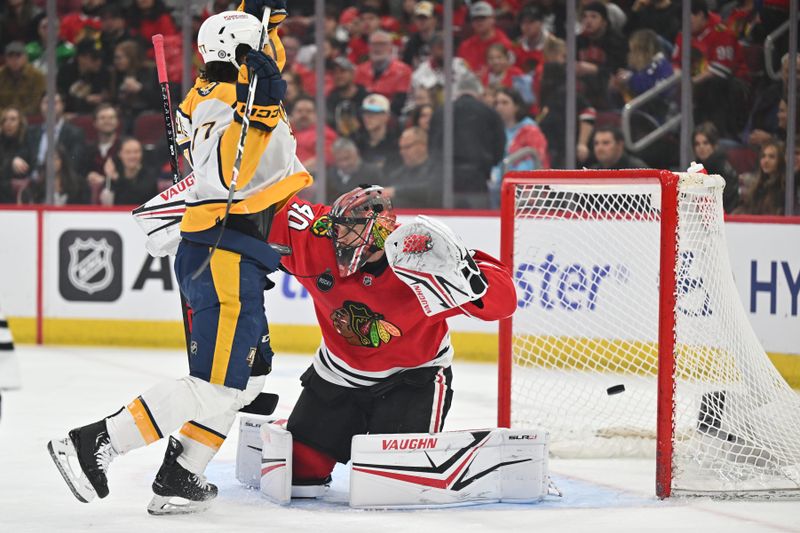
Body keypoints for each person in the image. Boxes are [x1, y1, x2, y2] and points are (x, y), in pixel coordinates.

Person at [48, 4, 312, 516]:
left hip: (228, 253)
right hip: (223, 255)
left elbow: (252, 64)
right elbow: (226, 175)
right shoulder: (227, 108)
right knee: (216, 388)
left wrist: (263, 34)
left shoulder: (216, 89)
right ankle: (94, 443)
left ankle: (181, 473)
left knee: (253, 375)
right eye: (256, 50)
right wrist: (258, 115)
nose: (265, 57)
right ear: (239, 58)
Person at [266, 185, 517, 494]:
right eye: (338, 226)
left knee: (390, 488)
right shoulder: (316, 237)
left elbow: (504, 304)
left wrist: (464, 274)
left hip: (412, 380)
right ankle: (291, 432)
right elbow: (267, 208)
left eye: (351, 229)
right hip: (338, 373)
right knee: (298, 475)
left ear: (379, 231)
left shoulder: (423, 258)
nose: (339, 237)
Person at [428, 73, 505, 209]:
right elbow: (499, 150)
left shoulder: (441, 111)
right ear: (479, 92)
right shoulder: (490, 113)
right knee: (477, 225)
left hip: (444, 181)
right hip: (476, 181)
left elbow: (432, 147)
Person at [490, 87, 549, 208]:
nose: (499, 107)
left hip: (527, 194)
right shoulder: (495, 130)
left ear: (516, 106)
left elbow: (537, 160)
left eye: (505, 102)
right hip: (500, 189)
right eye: (496, 103)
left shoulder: (529, 129)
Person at [576, 1, 628, 111]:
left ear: (604, 22)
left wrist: (594, 69)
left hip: (608, 89)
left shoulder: (616, 41)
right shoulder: (578, 41)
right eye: (585, 16)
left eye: (594, 17)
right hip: (584, 88)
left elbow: (617, 71)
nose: (588, 21)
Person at [26, 93, 86, 178]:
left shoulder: (75, 133)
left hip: (62, 181)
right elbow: (24, 154)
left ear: (62, 106)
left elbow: (74, 163)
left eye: (54, 103)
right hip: (33, 181)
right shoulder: (31, 132)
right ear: (40, 106)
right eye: (46, 103)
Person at [354, 30, 412, 115]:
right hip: (363, 114)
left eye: (382, 44)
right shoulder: (359, 70)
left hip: (390, 116)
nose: (377, 48)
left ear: (390, 47)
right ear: (368, 47)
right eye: (374, 44)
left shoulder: (403, 71)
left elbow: (399, 102)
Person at [110, 40, 160, 132]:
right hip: (124, 119)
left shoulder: (150, 71)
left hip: (147, 119)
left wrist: (140, 89)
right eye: (115, 58)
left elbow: (160, 100)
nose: (116, 62)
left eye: (119, 58)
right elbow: (114, 99)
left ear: (131, 57)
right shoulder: (117, 74)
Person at [385, 127, 442, 208]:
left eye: (407, 147)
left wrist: (396, 192)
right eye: (401, 148)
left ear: (423, 145)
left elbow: (432, 191)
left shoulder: (439, 169)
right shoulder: (396, 175)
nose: (402, 152)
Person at [692, 122, 739, 213]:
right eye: (697, 144)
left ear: (714, 145)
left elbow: (728, 203)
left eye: (705, 143)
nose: (701, 147)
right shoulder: (695, 169)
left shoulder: (725, 171)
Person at [456, 1, 513, 75]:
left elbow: (509, 71)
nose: (479, 22)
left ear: (493, 19)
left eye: (483, 18)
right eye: (475, 19)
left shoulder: (504, 44)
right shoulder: (465, 46)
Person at [56, 38, 111, 114]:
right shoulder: (65, 72)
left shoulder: (103, 73)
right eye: (94, 58)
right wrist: (85, 100)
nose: (99, 62)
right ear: (81, 58)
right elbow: (61, 97)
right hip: (67, 114)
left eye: (100, 57)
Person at [97, 137, 157, 206]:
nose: (132, 156)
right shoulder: (113, 176)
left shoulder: (149, 175)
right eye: (128, 152)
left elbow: (135, 198)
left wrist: (117, 179)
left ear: (142, 154)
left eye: (136, 152)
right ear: (120, 154)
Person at [734, 138, 786, 215]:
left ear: (780, 160)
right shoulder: (757, 186)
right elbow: (746, 209)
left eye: (771, 157)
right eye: (763, 156)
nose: (766, 160)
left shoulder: (784, 187)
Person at [353, 93, 401, 171]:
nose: (367, 117)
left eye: (374, 113)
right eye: (365, 112)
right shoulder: (357, 142)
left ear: (386, 116)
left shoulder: (396, 144)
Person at [291, 95, 338, 171]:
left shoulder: (324, 133)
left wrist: (296, 170)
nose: (304, 114)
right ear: (292, 114)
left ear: (316, 115)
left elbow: (326, 158)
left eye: (309, 111)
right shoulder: (286, 131)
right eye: (299, 111)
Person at [325, 56, 367, 137]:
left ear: (352, 73)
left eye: (342, 71)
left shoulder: (365, 97)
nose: (338, 75)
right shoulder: (330, 100)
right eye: (334, 72)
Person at [0, 41, 45, 116]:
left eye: (18, 56)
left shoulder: (37, 76)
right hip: (3, 119)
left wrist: (18, 116)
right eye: (10, 56)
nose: (14, 60)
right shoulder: (1, 75)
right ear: (6, 59)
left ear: (25, 57)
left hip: (31, 118)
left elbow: (37, 102)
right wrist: (5, 115)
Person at [0, 106, 32, 204]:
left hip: (16, 196)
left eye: (13, 119)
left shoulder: (27, 141)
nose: (8, 123)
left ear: (20, 123)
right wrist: (11, 161)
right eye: (5, 120)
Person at [402, 1, 438, 68]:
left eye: (425, 17)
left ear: (434, 19)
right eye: (419, 18)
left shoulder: (442, 40)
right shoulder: (411, 42)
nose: (421, 21)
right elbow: (406, 66)